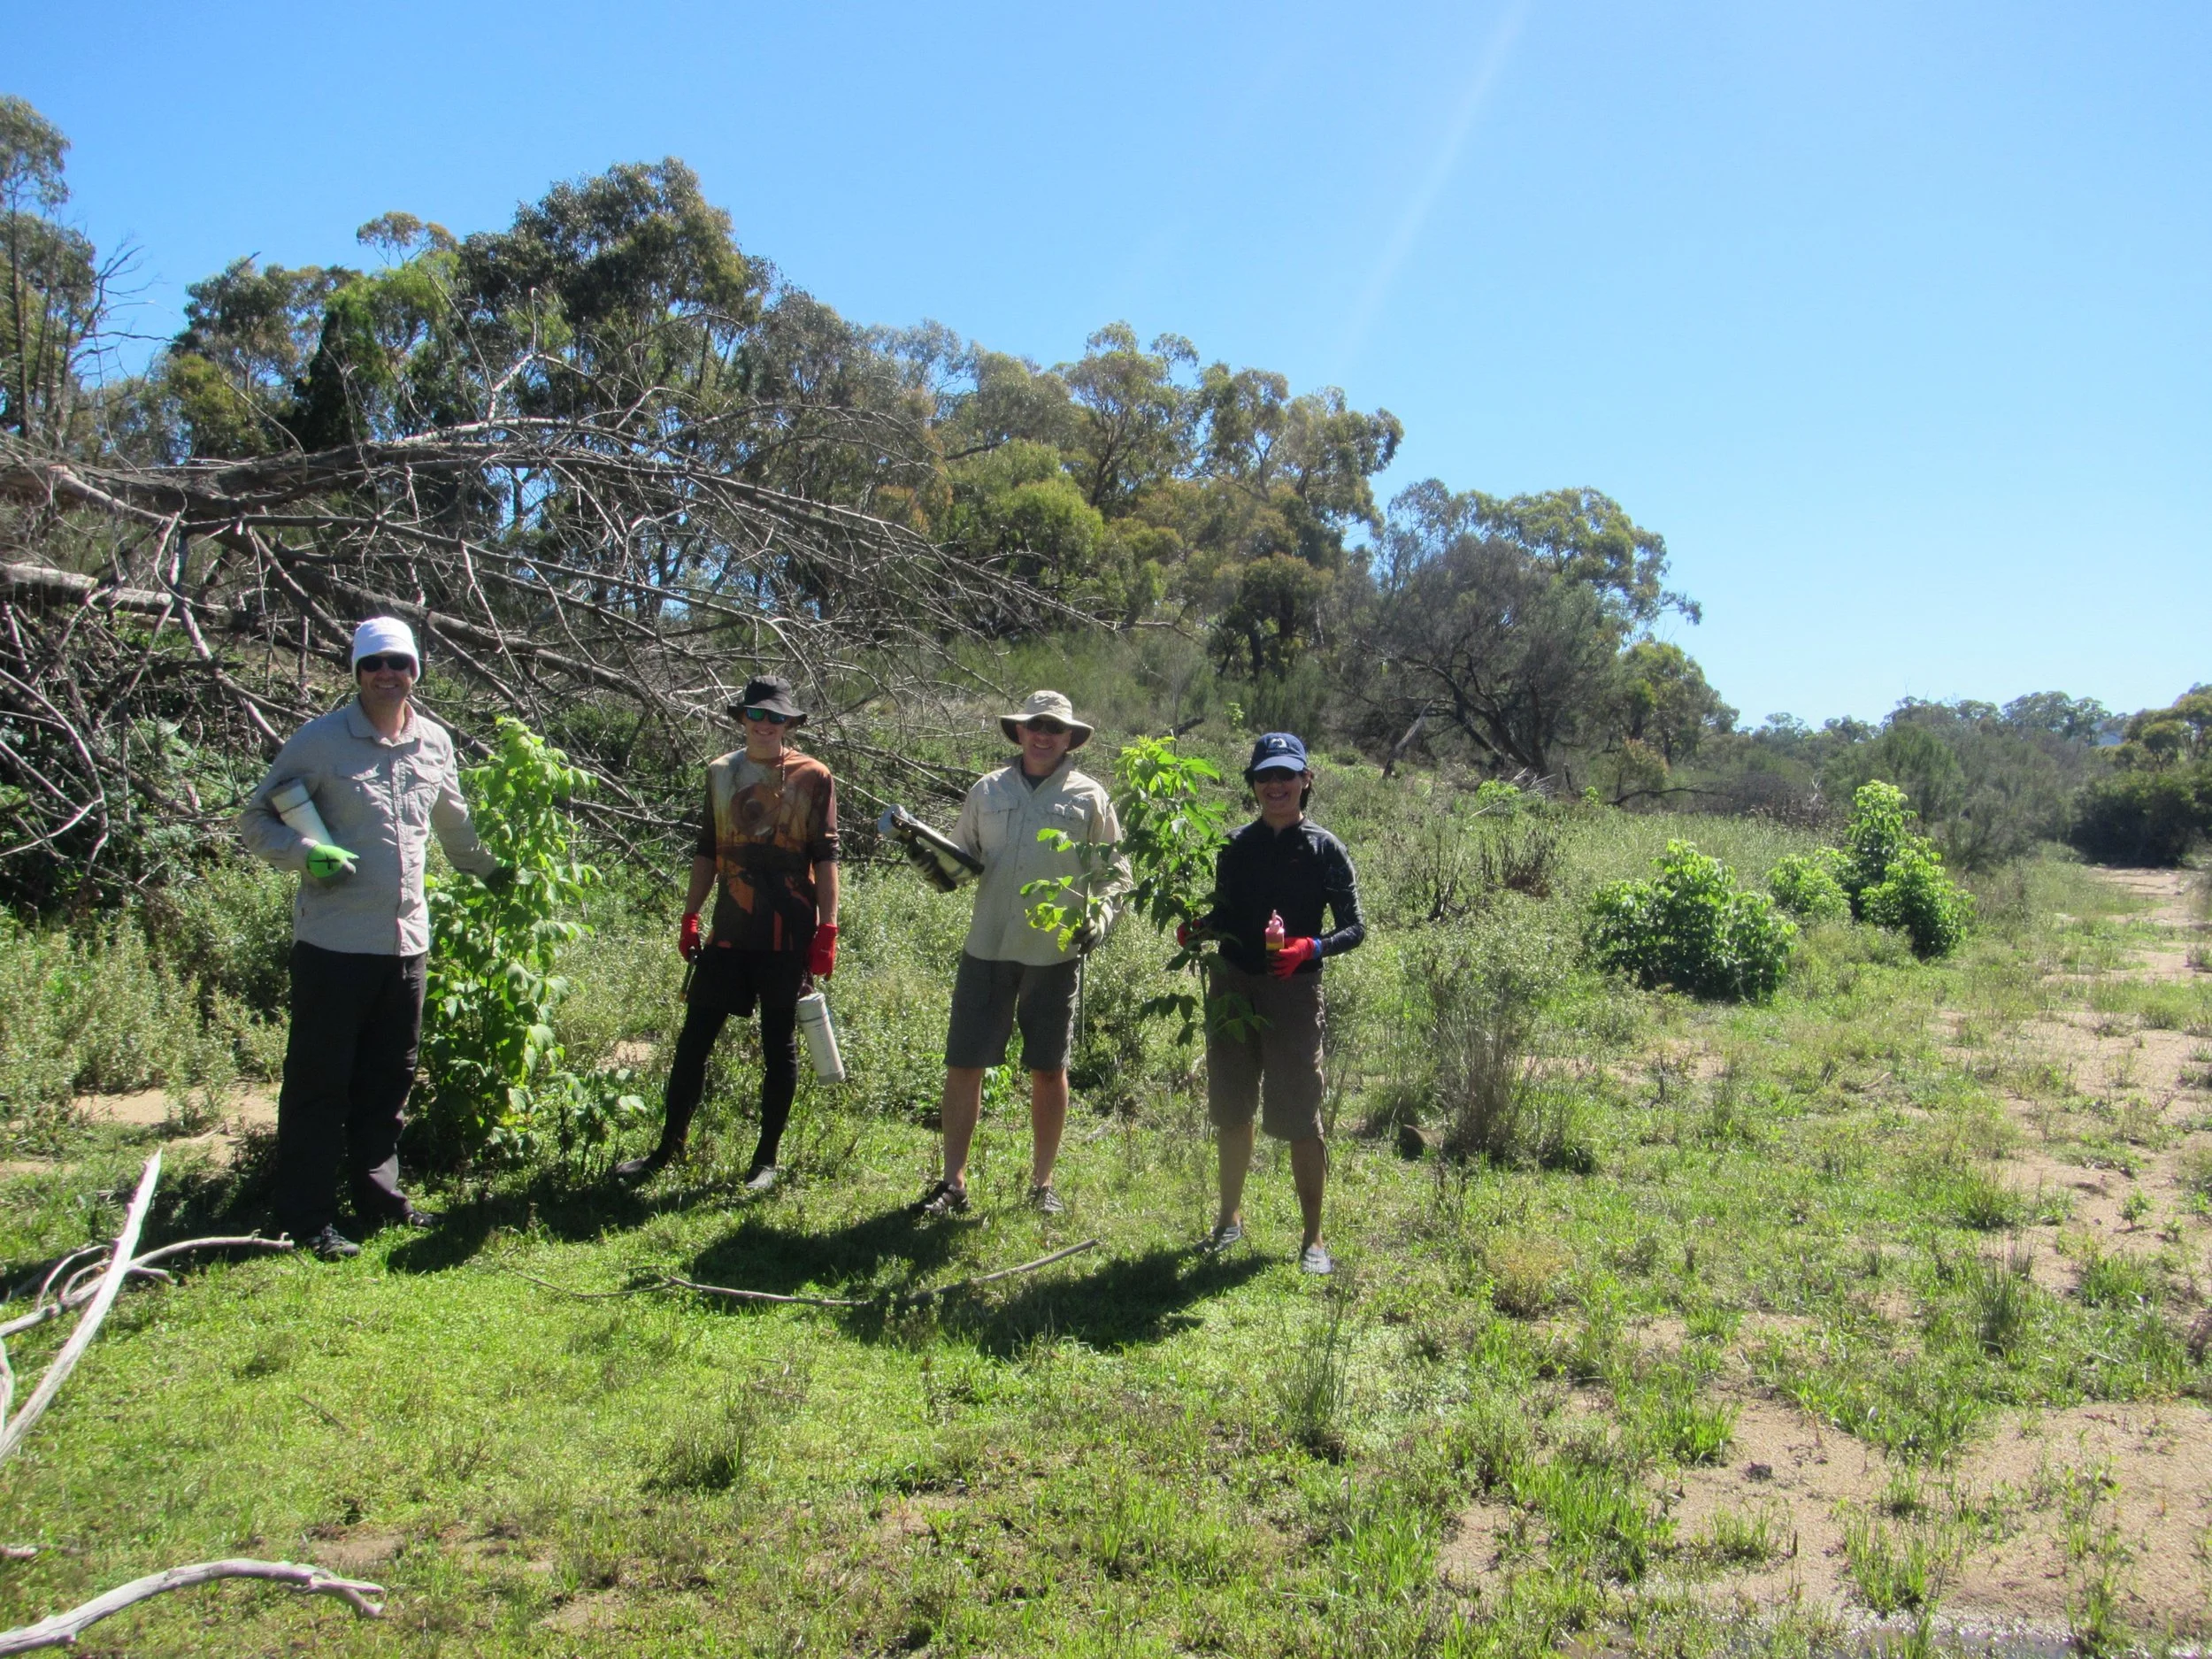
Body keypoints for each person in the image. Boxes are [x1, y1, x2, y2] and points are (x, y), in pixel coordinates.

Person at [240, 618, 510, 1259]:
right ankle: (306, 1217)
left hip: (405, 944)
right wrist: (305, 852)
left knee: (390, 1079)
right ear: (356, 672)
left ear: (417, 669)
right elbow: (254, 819)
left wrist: (491, 869)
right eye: (374, 664)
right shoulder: (321, 741)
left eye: (400, 662)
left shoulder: (435, 742)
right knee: (318, 1083)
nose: (388, 674)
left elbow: (452, 821)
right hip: (334, 945)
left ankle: (379, 1201)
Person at [616, 675, 839, 1191]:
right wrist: (691, 915)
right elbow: (707, 848)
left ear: (789, 723)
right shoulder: (721, 772)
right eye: (756, 715)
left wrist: (828, 927)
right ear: (742, 718)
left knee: (778, 1043)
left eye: (775, 717)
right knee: (693, 1042)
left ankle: (766, 1160)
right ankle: (668, 1148)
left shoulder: (814, 775)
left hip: (787, 935)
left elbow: (826, 855)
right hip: (730, 931)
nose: (764, 725)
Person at [912, 691, 1126, 1217]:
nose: (1044, 734)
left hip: (1053, 953)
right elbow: (962, 864)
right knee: (965, 1062)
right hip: (986, 947)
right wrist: (925, 857)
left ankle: (1042, 1185)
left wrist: (1099, 916)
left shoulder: (1090, 796)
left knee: (1048, 1068)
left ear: (1070, 737)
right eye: (1035, 725)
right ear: (1020, 731)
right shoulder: (987, 790)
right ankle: (953, 1183)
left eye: (1055, 727)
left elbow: (1115, 873)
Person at [1188, 732, 1364, 1274]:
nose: (1275, 785)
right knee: (1232, 1106)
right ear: (1253, 784)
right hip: (1233, 987)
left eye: (1286, 775)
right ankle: (1228, 1220)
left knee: (1300, 1114)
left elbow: (1355, 928)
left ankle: (1313, 1239)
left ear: (1306, 780)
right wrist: (1197, 929)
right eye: (1265, 775)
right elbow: (1222, 917)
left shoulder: (1325, 849)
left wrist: (1310, 947)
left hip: (1294, 992)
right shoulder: (1233, 846)